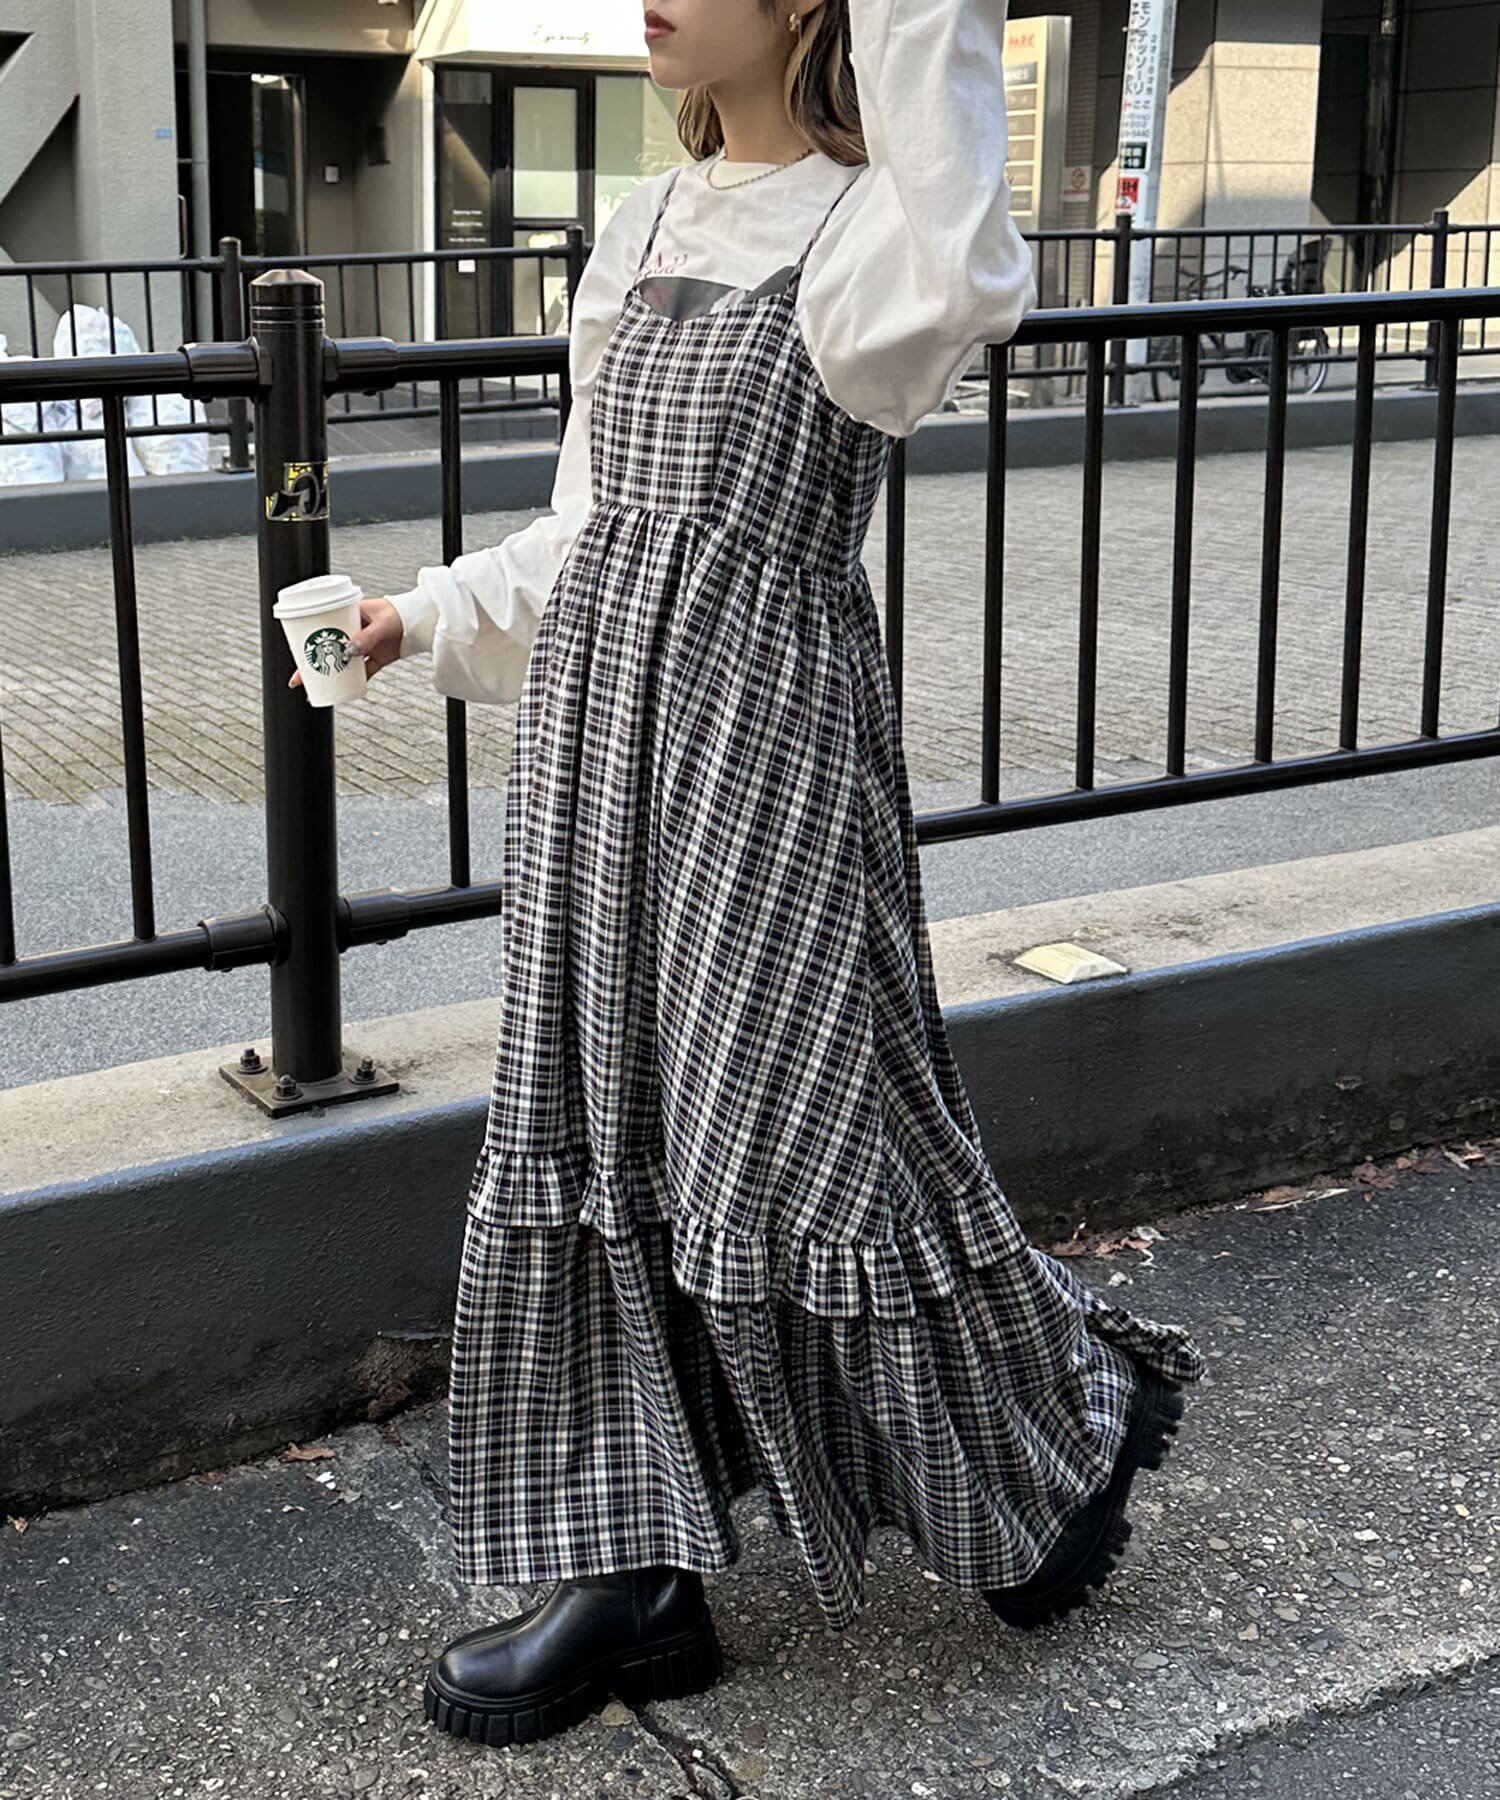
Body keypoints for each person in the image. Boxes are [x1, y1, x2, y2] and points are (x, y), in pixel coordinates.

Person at [308, 0, 1211, 1748]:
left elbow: (972, 277)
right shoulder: (642, 225)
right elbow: (596, 528)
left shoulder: (876, 229)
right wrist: (416, 615)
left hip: (767, 750)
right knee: (609, 1124)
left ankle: (1045, 1449)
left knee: (803, 1132)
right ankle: (636, 1577)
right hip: (599, 754)